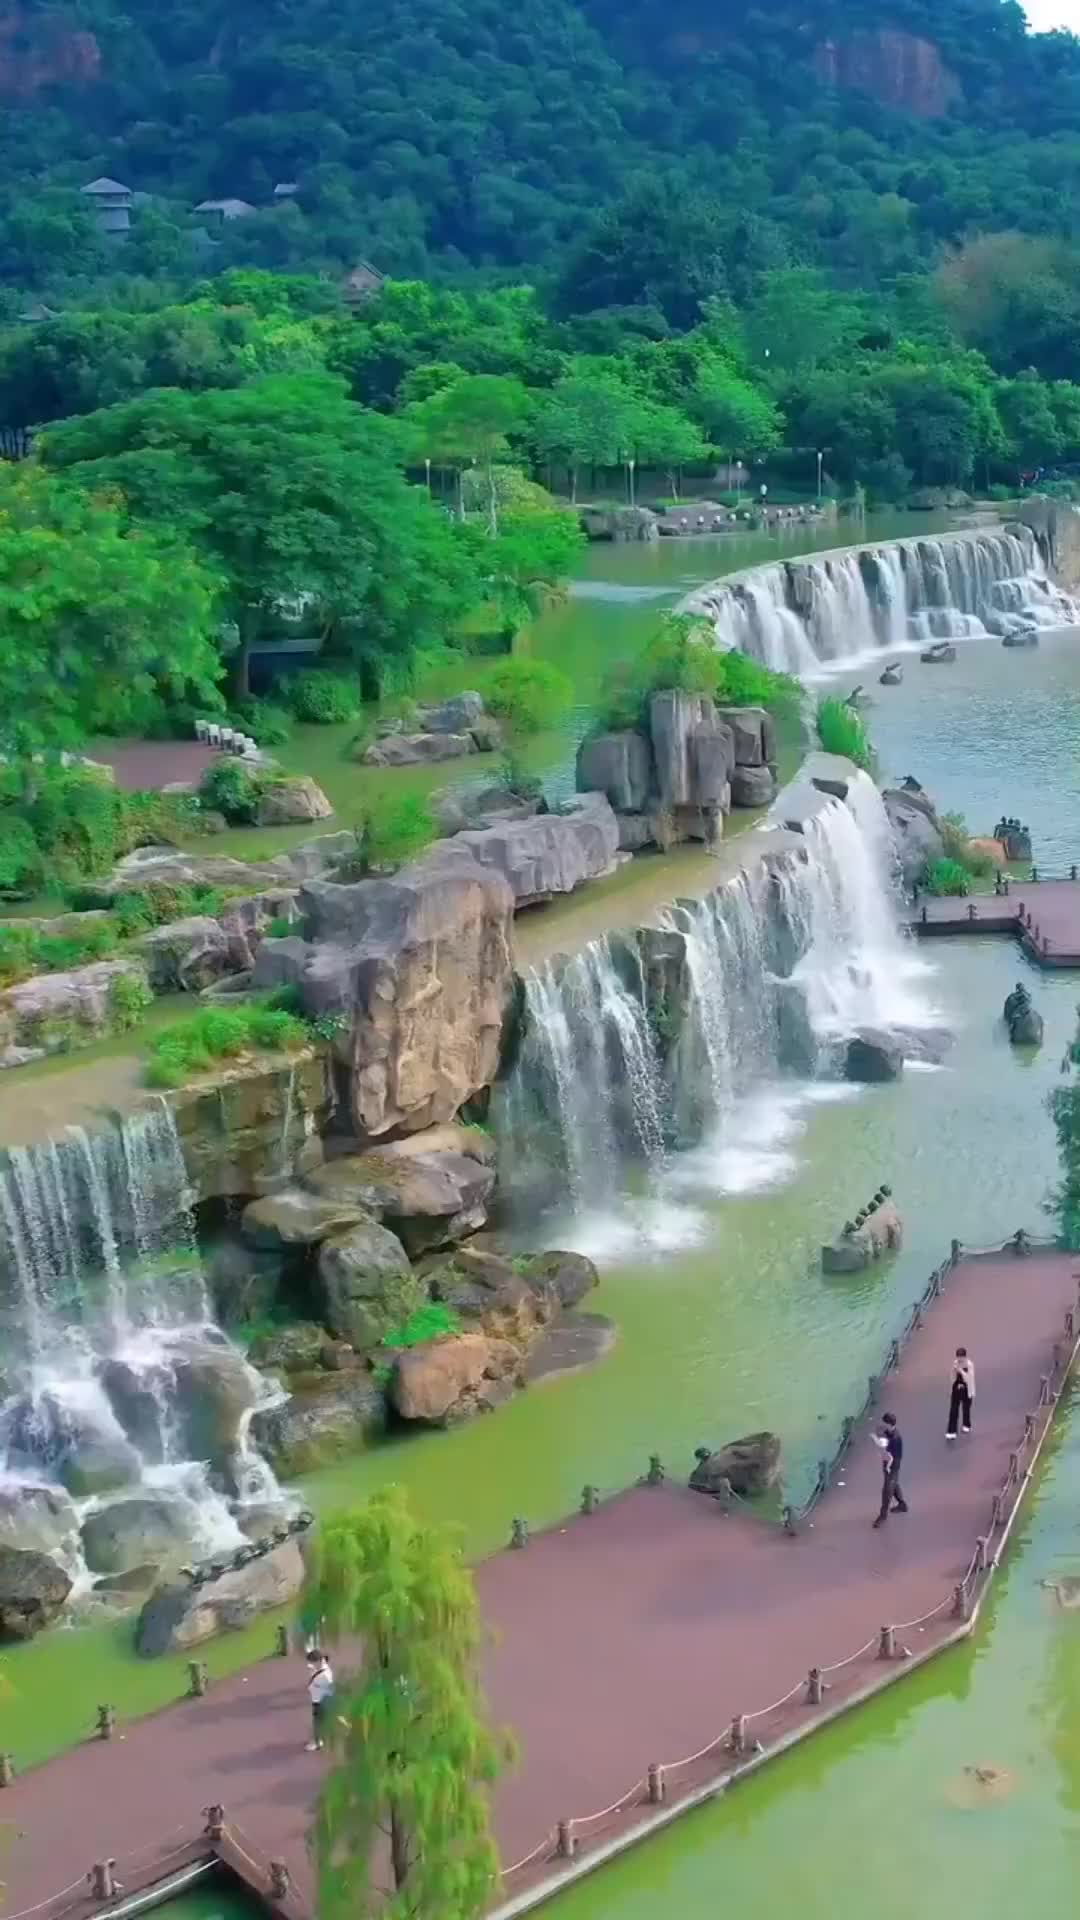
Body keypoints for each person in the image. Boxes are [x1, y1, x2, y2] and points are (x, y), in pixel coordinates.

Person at [872, 1412, 908, 1528]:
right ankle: (902, 1504)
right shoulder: (888, 1432)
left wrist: (887, 1467)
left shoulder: (896, 1438)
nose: (882, 1425)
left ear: (889, 1424)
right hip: (888, 1461)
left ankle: (882, 1516)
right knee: (893, 1484)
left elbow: (893, 1457)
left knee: (887, 1490)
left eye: (884, 1423)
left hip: (892, 1465)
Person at [305, 1648, 334, 1752]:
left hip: (320, 1701)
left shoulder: (324, 1676)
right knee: (321, 1721)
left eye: (312, 1662)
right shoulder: (321, 1669)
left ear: (318, 1661)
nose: (310, 1665)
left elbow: (329, 1686)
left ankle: (317, 1743)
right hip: (319, 1700)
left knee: (317, 1722)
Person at [947, 1347, 975, 1439]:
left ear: (964, 1357)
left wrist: (961, 1371)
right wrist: (951, 1389)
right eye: (958, 1357)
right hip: (957, 1388)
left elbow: (969, 1379)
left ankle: (966, 1425)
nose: (959, 1360)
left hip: (967, 1390)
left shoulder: (969, 1364)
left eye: (961, 1358)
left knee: (966, 1408)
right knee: (953, 1410)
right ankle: (951, 1431)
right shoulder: (955, 1363)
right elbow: (952, 1377)